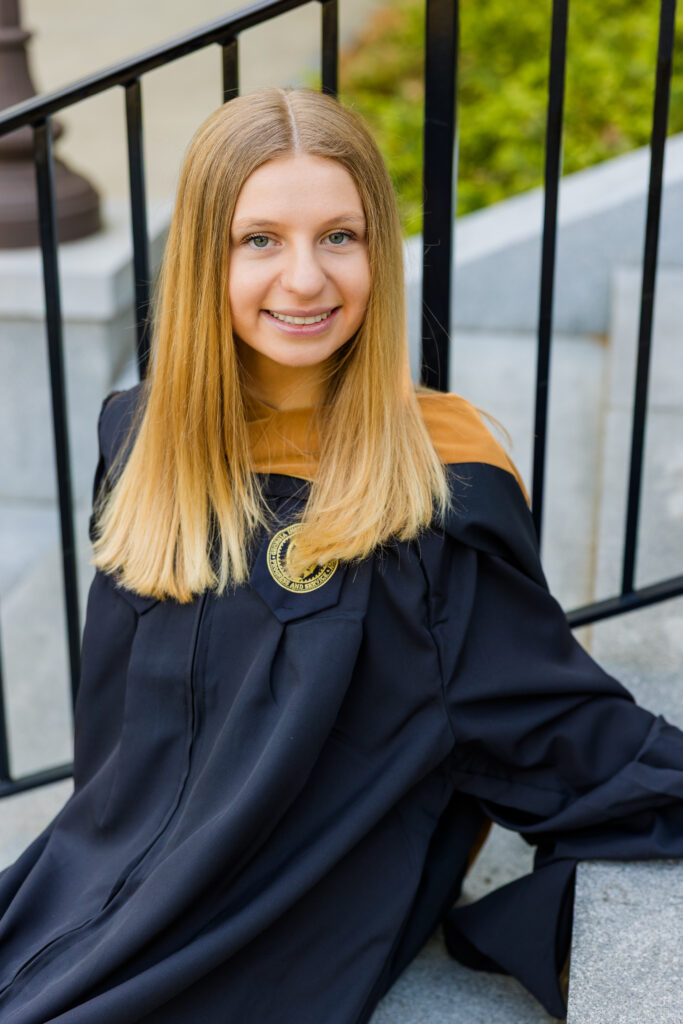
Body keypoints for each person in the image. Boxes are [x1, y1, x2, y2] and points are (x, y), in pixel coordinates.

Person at [0, 85, 682, 1024]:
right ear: (205, 259)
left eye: (339, 236)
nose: (306, 280)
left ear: (378, 251)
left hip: (260, 945)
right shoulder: (141, 440)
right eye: (259, 240)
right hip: (88, 887)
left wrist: (532, 919)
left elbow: (565, 736)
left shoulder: (436, 506)